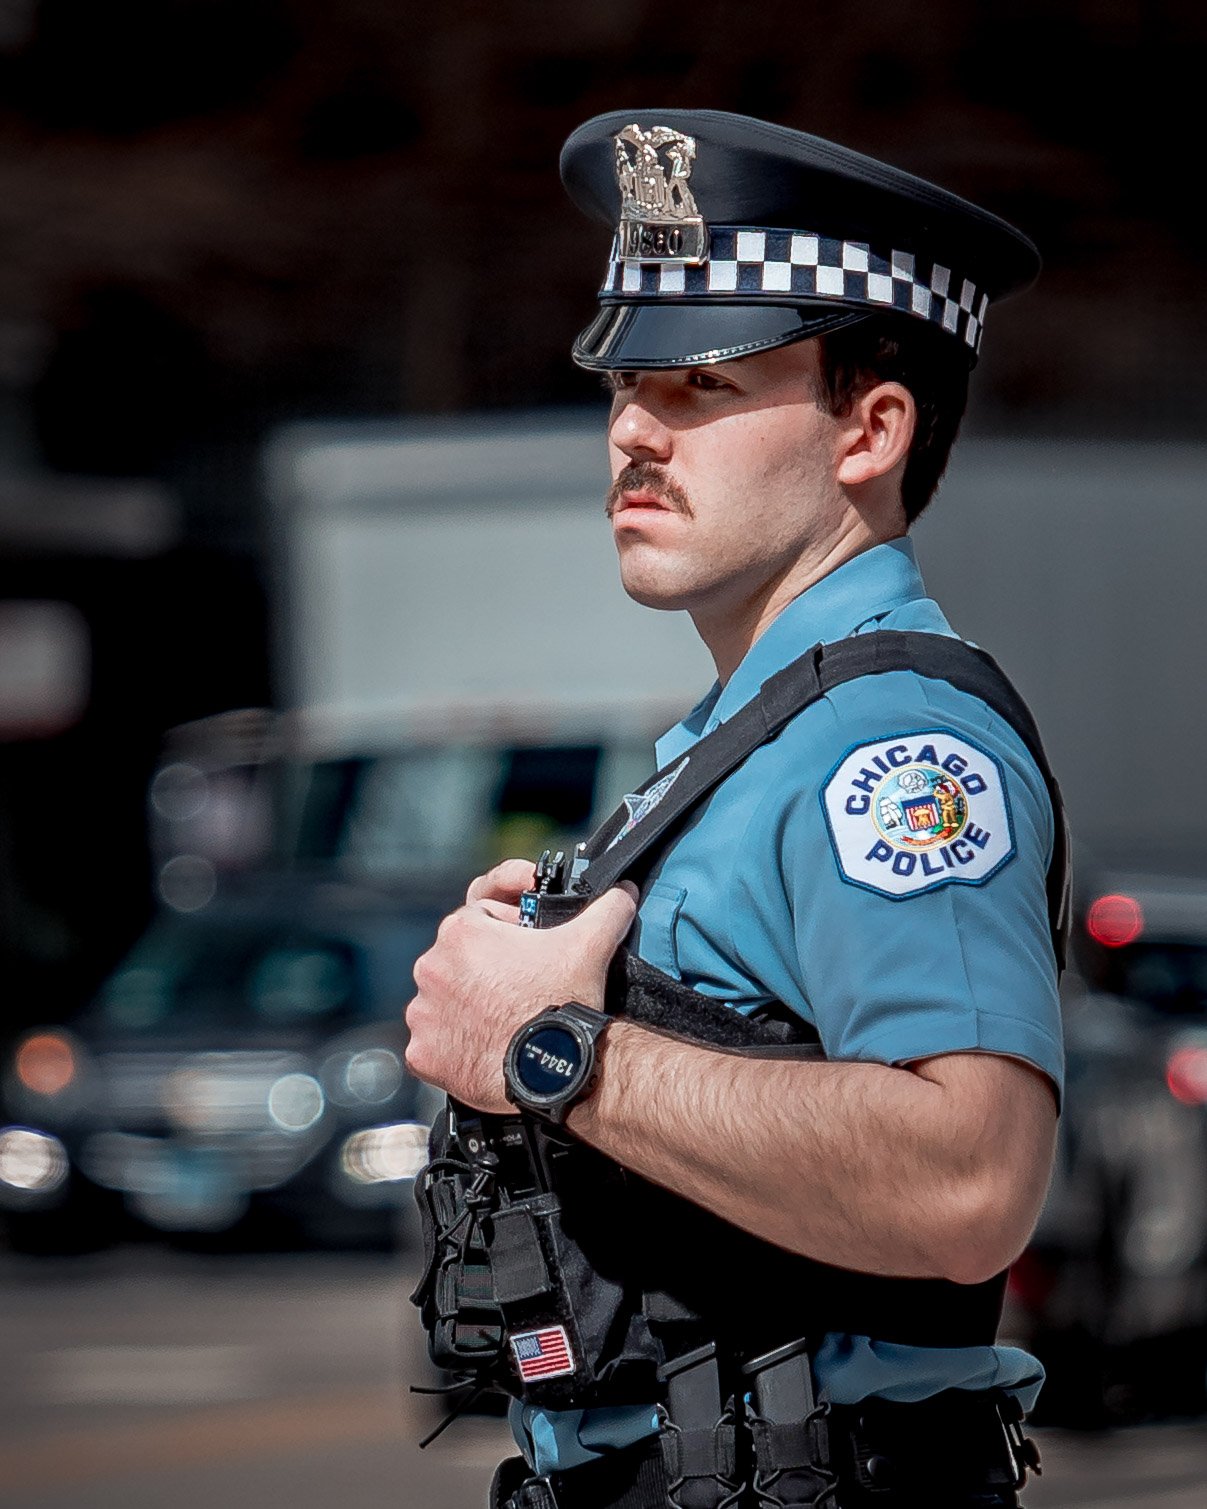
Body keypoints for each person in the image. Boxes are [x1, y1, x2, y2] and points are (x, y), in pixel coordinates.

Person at [405, 108, 1065, 1509]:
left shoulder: (889, 745)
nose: (634, 428)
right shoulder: (745, 740)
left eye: (701, 383)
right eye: (624, 382)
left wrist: (550, 1049)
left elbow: (969, 1179)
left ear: (869, 429)